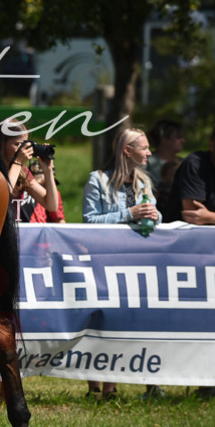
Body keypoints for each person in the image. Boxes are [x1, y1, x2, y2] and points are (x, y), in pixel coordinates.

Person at [82, 127, 162, 400]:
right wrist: (129, 213)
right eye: (144, 148)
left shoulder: (144, 183)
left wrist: (154, 214)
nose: (149, 153)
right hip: (104, 263)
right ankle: (95, 389)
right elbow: (89, 220)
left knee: (129, 322)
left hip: (137, 262)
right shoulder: (98, 180)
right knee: (101, 321)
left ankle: (113, 387)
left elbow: (154, 217)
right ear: (127, 151)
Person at [162, 120, 215, 400]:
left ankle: (209, 381)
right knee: (191, 322)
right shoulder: (195, 165)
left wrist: (213, 217)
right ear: (212, 145)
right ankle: (170, 383)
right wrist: (211, 220)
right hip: (185, 258)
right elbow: (192, 215)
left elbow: (205, 217)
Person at [0, 123, 59, 222]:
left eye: (25, 144)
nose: (23, 149)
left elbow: (52, 206)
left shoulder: (21, 171)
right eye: (18, 144)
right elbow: (3, 196)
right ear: (1, 143)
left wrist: (48, 171)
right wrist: (17, 163)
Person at [145, 119, 185, 199]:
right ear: (164, 140)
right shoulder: (146, 162)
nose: (183, 141)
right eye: (178, 137)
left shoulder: (185, 163)